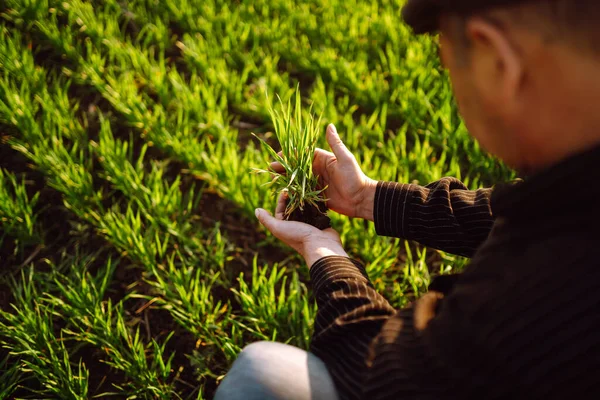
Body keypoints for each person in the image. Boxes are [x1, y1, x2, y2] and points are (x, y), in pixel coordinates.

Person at [215, 0, 600, 399]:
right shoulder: (575, 202)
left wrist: (323, 252)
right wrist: (368, 198)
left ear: (498, 63)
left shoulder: (539, 291)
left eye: (447, 65)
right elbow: (509, 213)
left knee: (258, 376)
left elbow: (387, 378)